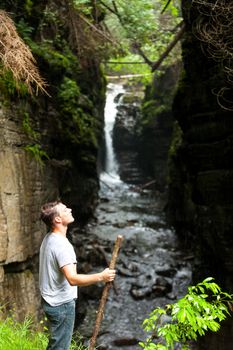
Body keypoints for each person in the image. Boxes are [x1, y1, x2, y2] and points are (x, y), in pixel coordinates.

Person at [39, 200, 116, 350]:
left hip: (50, 300)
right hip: (61, 305)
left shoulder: (49, 238)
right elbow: (72, 279)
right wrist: (102, 276)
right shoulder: (62, 245)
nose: (69, 209)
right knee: (60, 347)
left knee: (56, 344)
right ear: (58, 219)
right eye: (64, 209)